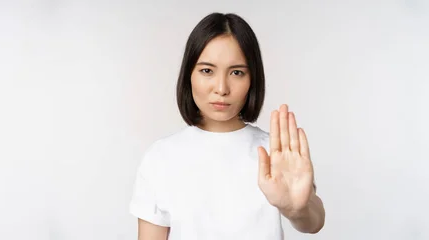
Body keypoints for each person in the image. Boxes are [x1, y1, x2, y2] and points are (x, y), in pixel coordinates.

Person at [129, 12, 325, 240]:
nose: (221, 88)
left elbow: (314, 222)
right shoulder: (161, 157)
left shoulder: (274, 153)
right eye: (207, 71)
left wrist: (296, 209)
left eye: (236, 72)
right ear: (188, 75)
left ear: (252, 79)